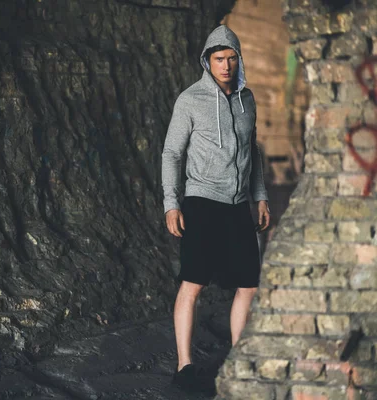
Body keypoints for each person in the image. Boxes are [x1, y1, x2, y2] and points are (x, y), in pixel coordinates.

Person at [161, 25, 271, 390]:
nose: (225, 65)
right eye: (218, 59)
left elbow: (252, 152)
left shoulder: (247, 100)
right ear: (207, 61)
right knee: (192, 284)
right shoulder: (190, 100)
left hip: (238, 204)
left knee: (249, 284)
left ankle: (240, 360)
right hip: (201, 202)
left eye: (231, 58)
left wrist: (260, 196)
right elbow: (172, 153)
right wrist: (171, 203)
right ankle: (184, 368)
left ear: (239, 60)